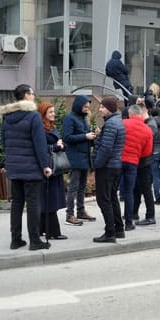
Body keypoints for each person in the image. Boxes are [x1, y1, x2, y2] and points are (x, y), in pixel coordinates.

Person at [0, 84, 51, 250]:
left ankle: (16, 240)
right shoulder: (33, 116)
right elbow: (40, 144)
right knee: (33, 204)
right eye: (32, 93)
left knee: (17, 204)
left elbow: (4, 142)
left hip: (14, 168)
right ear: (26, 95)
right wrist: (46, 166)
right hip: (31, 169)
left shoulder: (7, 117)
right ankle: (35, 241)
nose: (34, 96)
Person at [92, 96, 126, 243]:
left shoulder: (111, 124)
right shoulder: (117, 121)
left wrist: (96, 164)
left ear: (110, 108)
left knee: (104, 199)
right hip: (115, 165)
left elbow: (106, 148)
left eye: (102, 107)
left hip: (107, 167)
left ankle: (110, 232)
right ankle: (119, 229)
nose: (100, 109)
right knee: (112, 198)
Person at [62, 95, 98, 226]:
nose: (87, 109)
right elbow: (67, 137)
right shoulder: (69, 118)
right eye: (85, 106)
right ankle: (69, 214)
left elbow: (86, 137)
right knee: (74, 187)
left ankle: (81, 211)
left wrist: (94, 135)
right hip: (75, 157)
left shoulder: (84, 119)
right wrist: (85, 136)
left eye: (88, 107)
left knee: (82, 186)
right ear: (78, 105)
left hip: (85, 157)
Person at [37, 102, 67, 240]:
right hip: (48, 167)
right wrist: (56, 146)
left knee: (48, 198)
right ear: (43, 114)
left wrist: (60, 145)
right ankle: (53, 232)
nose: (53, 114)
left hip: (54, 168)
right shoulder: (40, 129)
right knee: (49, 199)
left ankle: (42, 228)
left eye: (54, 111)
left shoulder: (51, 127)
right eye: (50, 112)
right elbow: (41, 148)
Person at [122, 104, 153, 231]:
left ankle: (120, 219)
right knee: (132, 191)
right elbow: (147, 151)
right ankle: (131, 220)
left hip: (119, 161)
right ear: (140, 114)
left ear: (130, 114)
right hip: (137, 162)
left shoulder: (122, 124)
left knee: (118, 192)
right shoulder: (147, 129)